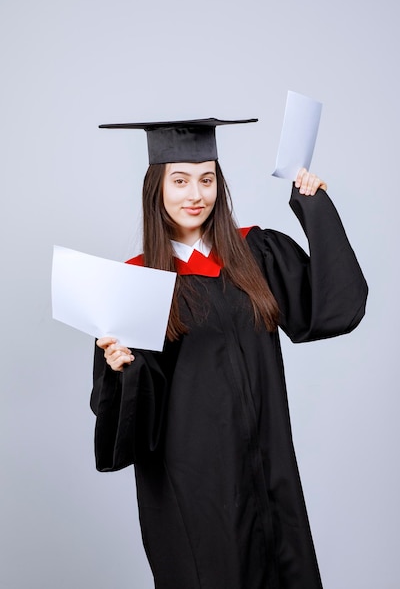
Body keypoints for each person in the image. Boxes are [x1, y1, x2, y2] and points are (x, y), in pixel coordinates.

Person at [91, 118, 368, 589]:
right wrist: (119, 370)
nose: (194, 193)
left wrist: (314, 207)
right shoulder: (137, 282)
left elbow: (329, 310)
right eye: (179, 181)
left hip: (268, 462)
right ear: (156, 188)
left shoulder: (253, 253)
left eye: (206, 178)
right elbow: (128, 416)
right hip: (194, 485)